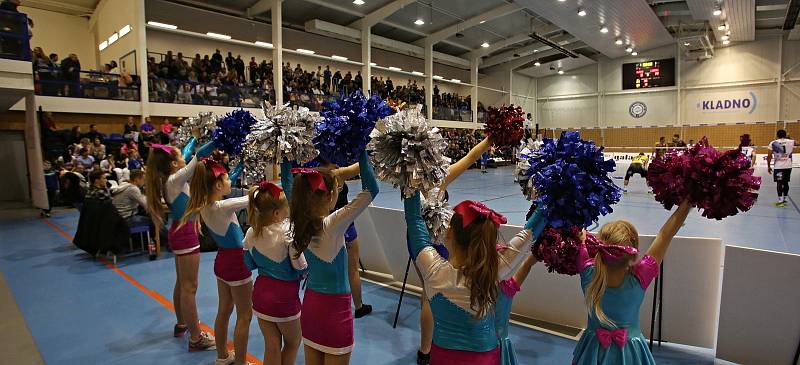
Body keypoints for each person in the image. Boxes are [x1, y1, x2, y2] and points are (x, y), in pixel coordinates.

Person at [403, 193, 546, 364]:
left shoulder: (432, 269)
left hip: (443, 357)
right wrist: (554, 192)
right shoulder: (494, 271)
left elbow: (414, 221)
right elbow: (529, 232)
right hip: (484, 358)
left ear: (449, 233)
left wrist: (410, 177)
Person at [572, 200, 691, 364]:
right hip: (630, 354)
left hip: (592, 354)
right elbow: (665, 235)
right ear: (633, 255)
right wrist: (688, 202)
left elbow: (579, 237)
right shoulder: (639, 278)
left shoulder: (588, 273)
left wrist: (582, 240)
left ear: (600, 248)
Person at [289, 150, 378, 365]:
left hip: (310, 307)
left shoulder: (300, 222)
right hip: (335, 313)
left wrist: (285, 156)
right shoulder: (332, 225)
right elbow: (371, 190)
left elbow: (287, 182)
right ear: (330, 196)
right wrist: (362, 150)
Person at [414, 136, 493, 365]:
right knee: (432, 294)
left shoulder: (411, 181)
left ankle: (425, 349)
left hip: (417, 241)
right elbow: (470, 157)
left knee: (428, 292)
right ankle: (431, 346)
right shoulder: (438, 180)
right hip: (437, 241)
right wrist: (490, 139)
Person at [144, 139, 216, 352]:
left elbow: (186, 152)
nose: (183, 158)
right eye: (178, 158)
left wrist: (194, 136)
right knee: (190, 287)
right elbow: (199, 155)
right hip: (185, 234)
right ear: (174, 164)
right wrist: (221, 137)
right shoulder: (175, 180)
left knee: (182, 283)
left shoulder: (172, 177)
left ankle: (182, 323)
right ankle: (196, 338)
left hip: (180, 230)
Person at [181, 158, 250, 365]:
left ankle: (222, 356)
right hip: (237, 262)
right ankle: (241, 362)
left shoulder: (204, 204)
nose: (232, 180)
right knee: (245, 315)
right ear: (218, 185)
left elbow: (230, 183)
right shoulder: (224, 206)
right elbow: (255, 197)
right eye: (227, 178)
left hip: (222, 261)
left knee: (224, 309)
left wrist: (240, 165)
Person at [243, 175, 306, 365]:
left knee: (271, 345)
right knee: (293, 342)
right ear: (277, 213)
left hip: (261, 295)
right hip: (284, 297)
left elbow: (249, 264)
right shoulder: (288, 232)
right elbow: (301, 266)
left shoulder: (251, 232)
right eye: (287, 207)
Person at [316, 158, 373, 318]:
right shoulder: (334, 175)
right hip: (344, 225)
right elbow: (361, 166)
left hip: (324, 228)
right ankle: (358, 306)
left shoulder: (313, 175)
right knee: (352, 269)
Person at [495, 254, 538, 365]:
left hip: (476, 345)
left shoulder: (469, 289)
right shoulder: (505, 290)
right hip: (497, 347)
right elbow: (527, 264)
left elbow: (527, 264)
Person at [767, 129, 795, 207]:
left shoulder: (773, 143)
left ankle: (780, 201)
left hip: (778, 167)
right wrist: (789, 137)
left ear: (777, 135)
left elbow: (769, 156)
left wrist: (769, 166)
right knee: (786, 182)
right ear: (785, 134)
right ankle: (785, 199)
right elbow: (798, 143)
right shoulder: (791, 141)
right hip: (788, 166)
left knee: (779, 183)